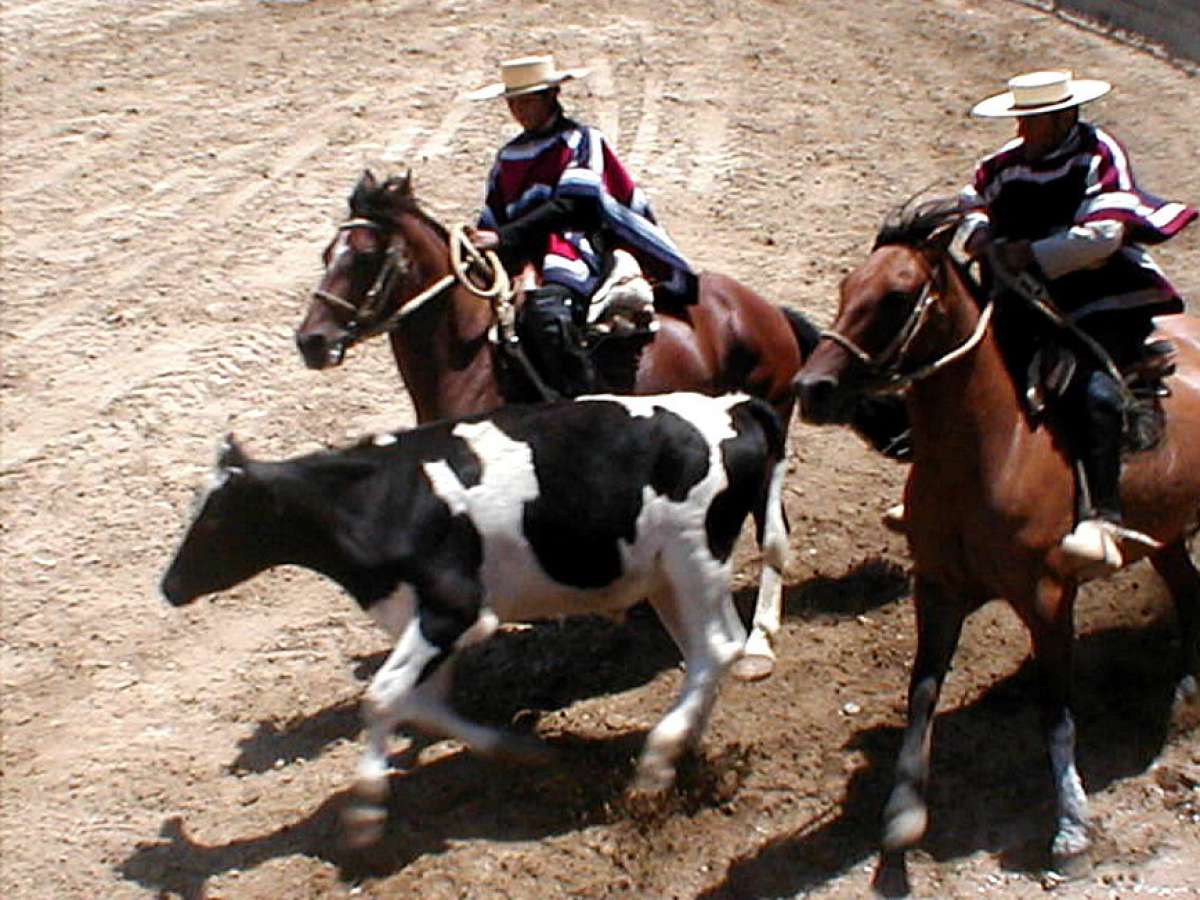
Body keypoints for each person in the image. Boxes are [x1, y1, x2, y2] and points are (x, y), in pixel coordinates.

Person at [955, 70, 1196, 573]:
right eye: (1022, 120)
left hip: (1101, 295)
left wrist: (1030, 253)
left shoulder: (1101, 154)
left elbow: (1104, 233)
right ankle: (942, 488)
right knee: (959, 368)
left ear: (1064, 116)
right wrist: (980, 234)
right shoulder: (1004, 164)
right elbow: (973, 199)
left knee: (1094, 391)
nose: (1024, 131)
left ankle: (1103, 516)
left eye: (1034, 120)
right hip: (1021, 297)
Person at [464, 54, 696, 397]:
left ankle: (582, 404)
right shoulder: (508, 156)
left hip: (571, 243)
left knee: (547, 315)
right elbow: (495, 212)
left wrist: (502, 237)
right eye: (513, 103)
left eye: (527, 101)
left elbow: (575, 205)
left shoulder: (581, 140)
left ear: (551, 96)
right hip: (519, 250)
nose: (519, 110)